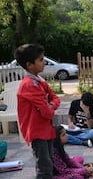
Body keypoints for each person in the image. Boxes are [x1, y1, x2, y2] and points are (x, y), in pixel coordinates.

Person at [15, 43, 61, 178]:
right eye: (41, 60)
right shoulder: (29, 85)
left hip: (46, 129)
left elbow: (55, 98)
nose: (44, 62)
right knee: (44, 167)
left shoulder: (40, 81)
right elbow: (48, 112)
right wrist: (51, 107)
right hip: (37, 130)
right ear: (29, 65)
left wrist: (50, 105)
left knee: (49, 163)